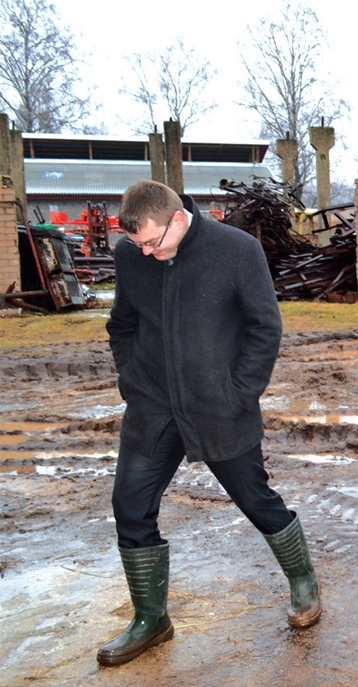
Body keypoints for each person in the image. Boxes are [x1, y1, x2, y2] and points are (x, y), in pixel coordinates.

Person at [98, 180, 321, 666]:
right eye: (137, 245)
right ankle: (150, 618)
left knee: (255, 498)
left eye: (152, 242)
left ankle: (303, 579)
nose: (146, 252)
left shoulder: (237, 251)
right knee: (130, 506)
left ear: (178, 219)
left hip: (219, 408)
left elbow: (266, 328)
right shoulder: (130, 256)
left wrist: (238, 393)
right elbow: (122, 324)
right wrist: (131, 379)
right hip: (153, 407)